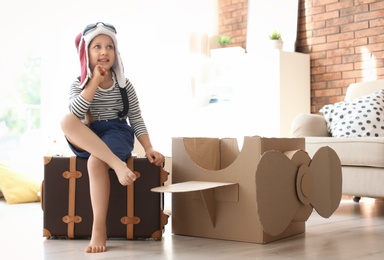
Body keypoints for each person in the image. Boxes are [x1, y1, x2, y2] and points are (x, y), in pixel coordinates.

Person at [60, 22, 165, 253]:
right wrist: (94, 82)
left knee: (96, 161)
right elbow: (77, 114)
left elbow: (136, 117)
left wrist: (148, 148)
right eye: (97, 46)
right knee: (66, 120)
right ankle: (116, 164)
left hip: (116, 133)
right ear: (86, 53)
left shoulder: (124, 85)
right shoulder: (78, 84)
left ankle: (99, 228)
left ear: (116, 53)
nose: (104, 52)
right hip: (88, 135)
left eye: (109, 47)